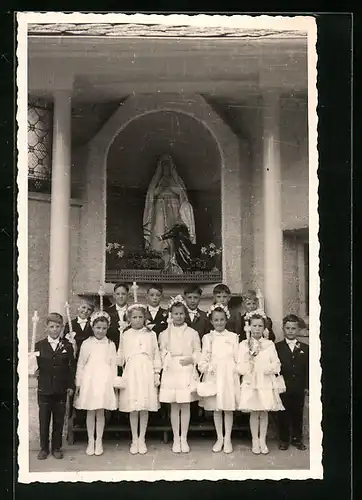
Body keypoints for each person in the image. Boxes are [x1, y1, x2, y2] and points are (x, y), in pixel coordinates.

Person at [237, 311, 284, 455]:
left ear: (264, 328)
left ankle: (262, 440)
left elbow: (276, 364)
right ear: (249, 327)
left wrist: (265, 368)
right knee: (254, 411)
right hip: (251, 381)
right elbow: (239, 366)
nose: (257, 329)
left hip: (264, 381)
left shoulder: (269, 344)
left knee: (263, 412)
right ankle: (255, 440)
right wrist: (249, 363)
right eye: (254, 326)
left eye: (260, 326)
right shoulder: (244, 344)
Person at [159, 295, 201, 453]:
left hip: (186, 369)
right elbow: (161, 350)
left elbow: (198, 351)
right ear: (171, 315)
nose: (179, 316)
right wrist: (167, 356)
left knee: (185, 404)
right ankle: (176, 437)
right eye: (175, 313)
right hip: (171, 369)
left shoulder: (192, 332)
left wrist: (192, 359)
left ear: (186, 314)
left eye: (181, 313)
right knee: (174, 405)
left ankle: (184, 437)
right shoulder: (165, 333)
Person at [117, 304, 161, 455]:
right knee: (133, 406)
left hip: (146, 370)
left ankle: (142, 438)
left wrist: (156, 373)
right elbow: (120, 357)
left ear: (145, 318)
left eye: (140, 317)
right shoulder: (125, 334)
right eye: (134, 317)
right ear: (129, 319)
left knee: (144, 405)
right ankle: (134, 439)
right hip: (131, 371)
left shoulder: (151, 334)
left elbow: (156, 354)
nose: (137, 320)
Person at [74, 311, 117, 456]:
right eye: (98, 328)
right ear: (93, 327)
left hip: (104, 380)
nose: (101, 331)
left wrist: (112, 382)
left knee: (100, 411)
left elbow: (113, 365)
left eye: (104, 328)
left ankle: (99, 441)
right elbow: (81, 364)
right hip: (90, 379)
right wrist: (79, 382)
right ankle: (90, 440)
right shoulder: (87, 343)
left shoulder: (110, 344)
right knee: (90, 411)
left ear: (107, 328)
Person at [198, 304, 240, 454]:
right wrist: (208, 367)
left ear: (226, 319)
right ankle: (219, 438)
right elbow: (203, 359)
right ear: (211, 321)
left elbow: (237, 358)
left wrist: (235, 370)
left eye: (222, 319)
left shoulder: (233, 337)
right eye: (216, 320)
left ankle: (228, 438)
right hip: (214, 375)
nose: (219, 323)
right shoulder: (207, 338)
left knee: (227, 408)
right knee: (217, 408)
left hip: (229, 375)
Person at [143, 154, 196, 270]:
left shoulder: (175, 180)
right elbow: (152, 195)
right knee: (159, 230)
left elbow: (182, 195)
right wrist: (161, 188)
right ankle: (159, 260)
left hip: (174, 208)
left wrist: (171, 187)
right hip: (160, 209)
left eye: (168, 167)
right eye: (163, 168)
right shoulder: (158, 180)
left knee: (174, 233)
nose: (166, 170)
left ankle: (174, 261)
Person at [34, 312, 75, 460]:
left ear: (62, 327)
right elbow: (34, 366)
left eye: (58, 326)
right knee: (44, 419)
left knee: (58, 419)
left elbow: (71, 367)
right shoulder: (39, 345)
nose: (55, 329)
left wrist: (70, 386)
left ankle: (56, 447)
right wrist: (32, 368)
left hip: (60, 389)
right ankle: (44, 448)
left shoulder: (67, 346)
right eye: (51, 326)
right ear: (46, 328)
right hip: (44, 389)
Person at [276, 314, 309, 451]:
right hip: (283, 386)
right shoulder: (277, 347)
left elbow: (308, 368)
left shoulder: (305, 348)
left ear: (298, 330)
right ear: (283, 329)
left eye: (293, 328)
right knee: (283, 413)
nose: (290, 331)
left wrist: (307, 386)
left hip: (298, 386)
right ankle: (284, 440)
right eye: (288, 328)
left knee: (297, 413)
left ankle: (297, 439)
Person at [106, 283, 129, 350]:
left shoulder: (132, 312)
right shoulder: (107, 312)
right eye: (118, 294)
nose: (120, 296)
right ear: (114, 295)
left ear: (128, 295)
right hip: (112, 348)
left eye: (123, 294)